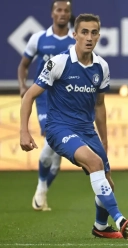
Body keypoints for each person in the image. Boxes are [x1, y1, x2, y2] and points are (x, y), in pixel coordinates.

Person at [20, 13, 128, 239]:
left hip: (86, 129)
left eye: (94, 33)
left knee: (108, 183)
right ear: (75, 35)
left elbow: (100, 105)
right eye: (84, 32)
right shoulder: (58, 62)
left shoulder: (102, 66)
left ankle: (100, 227)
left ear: (99, 36)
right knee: (94, 163)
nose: (89, 37)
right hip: (58, 128)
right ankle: (120, 219)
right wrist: (24, 131)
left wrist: (104, 138)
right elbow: (29, 96)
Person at [17, 0, 75, 211]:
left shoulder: (75, 40)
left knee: (57, 157)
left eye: (66, 10)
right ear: (52, 13)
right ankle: (41, 188)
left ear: (70, 14)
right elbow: (24, 65)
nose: (62, 13)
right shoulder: (38, 38)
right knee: (52, 141)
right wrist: (23, 85)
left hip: (68, 101)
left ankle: (42, 192)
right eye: (58, 10)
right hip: (44, 98)